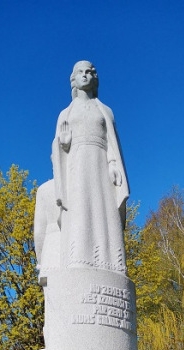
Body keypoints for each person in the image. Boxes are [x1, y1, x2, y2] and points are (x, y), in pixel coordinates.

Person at [52, 60, 129, 274]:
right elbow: (56, 149)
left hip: (100, 164)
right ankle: (79, 257)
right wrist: (64, 144)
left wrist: (113, 164)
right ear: (74, 79)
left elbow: (112, 142)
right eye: (80, 72)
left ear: (94, 78)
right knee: (80, 208)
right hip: (77, 165)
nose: (85, 75)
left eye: (89, 72)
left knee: (103, 209)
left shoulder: (105, 111)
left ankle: (112, 260)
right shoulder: (65, 113)